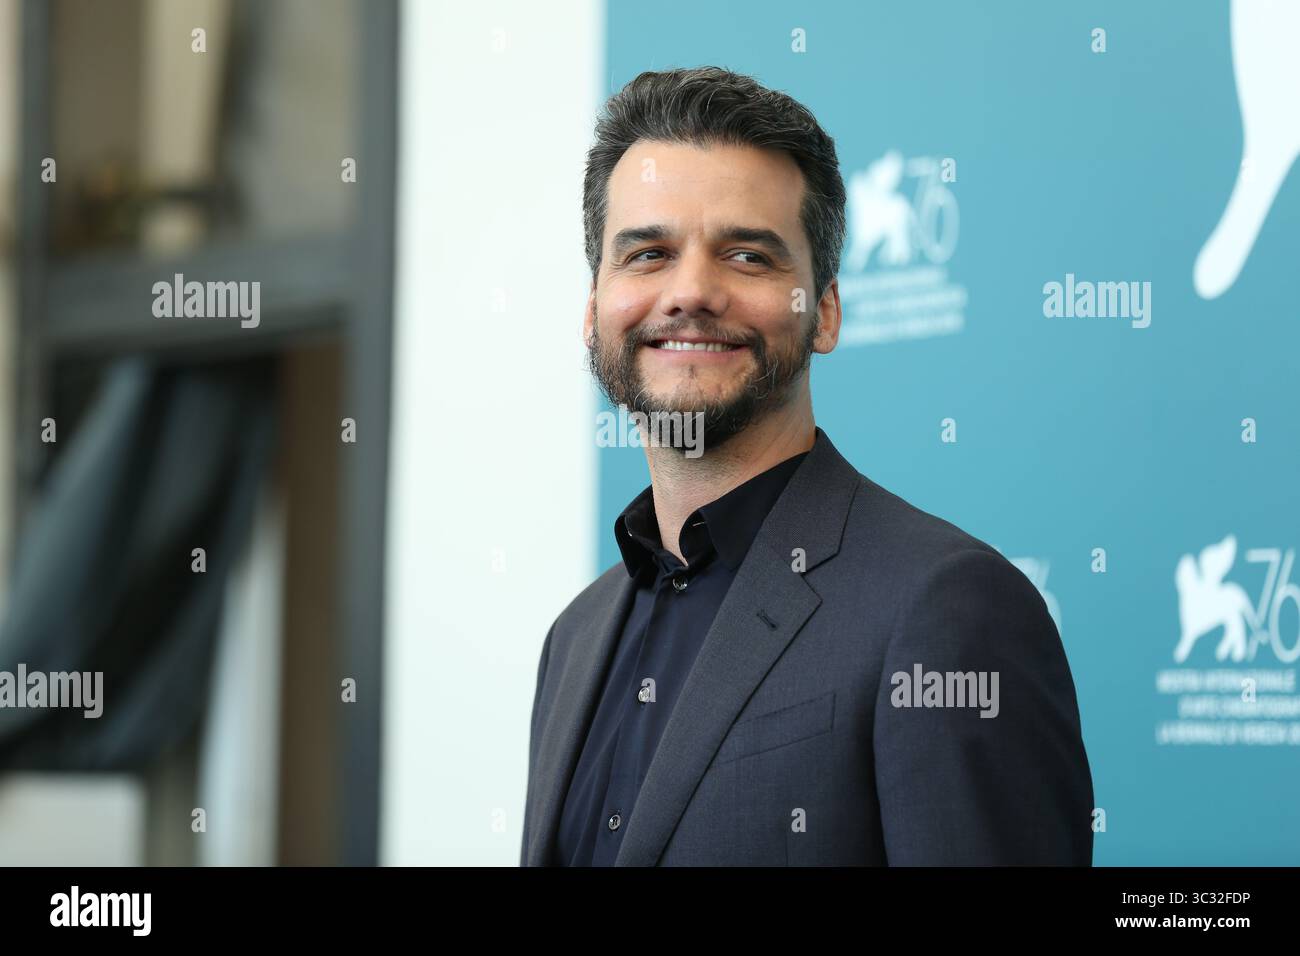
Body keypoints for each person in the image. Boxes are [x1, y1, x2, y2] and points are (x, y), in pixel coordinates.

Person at [521, 66, 1093, 866]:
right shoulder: (574, 639)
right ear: (593, 312)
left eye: (747, 256)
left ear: (824, 312)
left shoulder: (945, 611)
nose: (690, 291)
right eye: (648, 253)